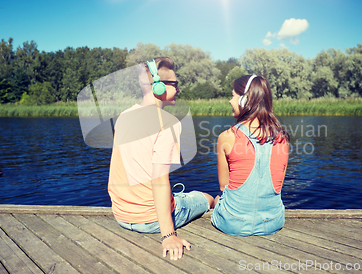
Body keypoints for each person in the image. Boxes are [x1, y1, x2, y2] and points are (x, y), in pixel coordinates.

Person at [108, 57, 215, 260]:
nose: (179, 89)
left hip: (121, 216)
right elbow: (159, 180)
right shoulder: (168, 123)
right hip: (150, 221)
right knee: (205, 197)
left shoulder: (123, 117)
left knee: (177, 195)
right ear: (158, 87)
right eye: (175, 84)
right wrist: (168, 235)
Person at [211, 74, 290, 236]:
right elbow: (278, 185)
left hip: (233, 224)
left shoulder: (226, 137)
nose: (230, 101)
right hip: (273, 223)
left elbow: (223, 187)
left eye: (233, 96)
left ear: (244, 100)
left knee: (218, 198)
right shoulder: (283, 138)